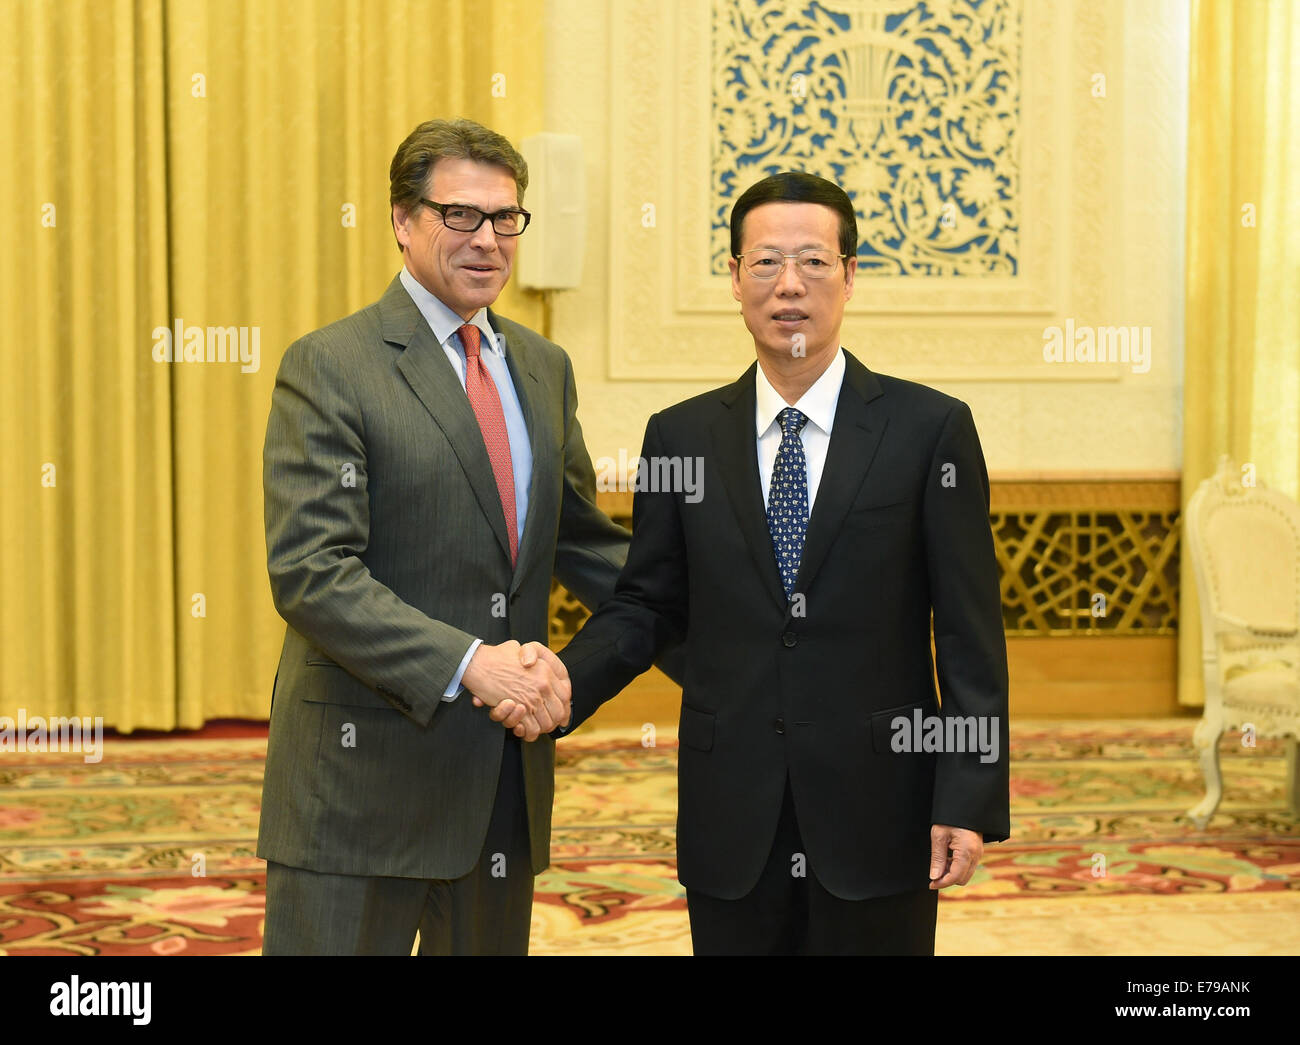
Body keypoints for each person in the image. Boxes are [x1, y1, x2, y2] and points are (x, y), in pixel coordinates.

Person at [496, 171, 1010, 955]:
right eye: (766, 263)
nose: (790, 284)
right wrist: (565, 683)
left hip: (879, 806)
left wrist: (968, 793)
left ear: (851, 275)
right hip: (732, 809)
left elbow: (971, 634)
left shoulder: (930, 430)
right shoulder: (680, 438)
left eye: (814, 261)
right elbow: (647, 604)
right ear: (734, 279)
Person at [257, 117, 628, 955]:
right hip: (358, 787)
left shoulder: (542, 366)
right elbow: (313, 571)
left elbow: (586, 546)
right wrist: (475, 664)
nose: (487, 239)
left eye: (506, 218)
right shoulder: (331, 364)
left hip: (499, 784)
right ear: (402, 219)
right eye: (459, 215)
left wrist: (746, 628)